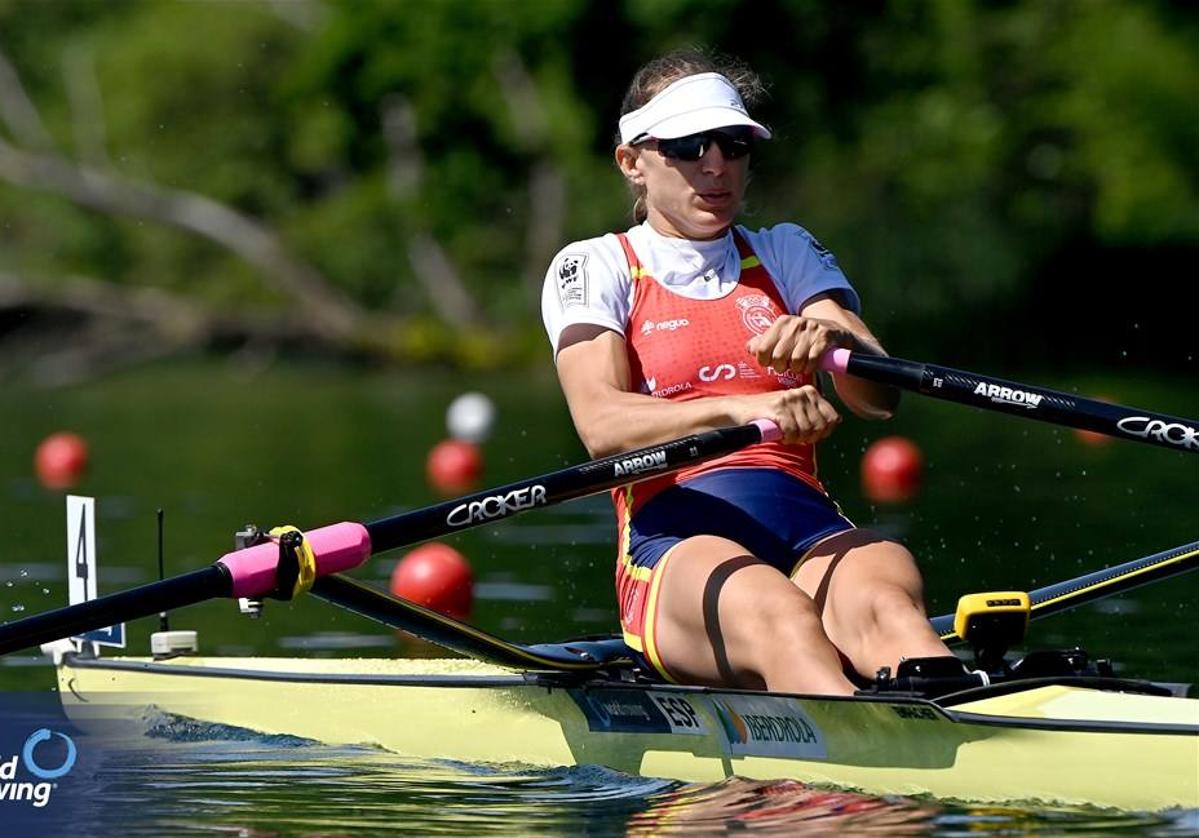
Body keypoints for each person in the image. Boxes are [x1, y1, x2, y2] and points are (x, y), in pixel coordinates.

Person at [540, 48, 951, 696]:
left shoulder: (783, 250)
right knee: (778, 614)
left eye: (733, 144)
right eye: (688, 145)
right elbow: (601, 424)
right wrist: (738, 410)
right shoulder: (599, 265)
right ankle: (874, 774)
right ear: (632, 161)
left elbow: (879, 397)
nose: (715, 163)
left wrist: (829, 340)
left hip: (807, 530)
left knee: (887, 599)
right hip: (673, 548)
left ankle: (964, 727)